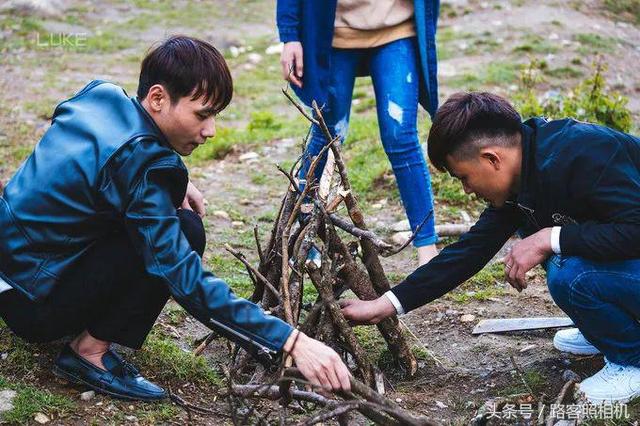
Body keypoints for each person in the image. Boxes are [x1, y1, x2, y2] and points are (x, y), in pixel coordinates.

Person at [0, 35, 350, 401]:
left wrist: (172, 178)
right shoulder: (145, 166)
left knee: (163, 216)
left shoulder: (99, 96)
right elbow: (184, 278)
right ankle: (88, 353)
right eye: (202, 114)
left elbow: (101, 161)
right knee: (186, 229)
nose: (210, 130)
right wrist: (292, 341)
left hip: (12, 272)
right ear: (157, 99)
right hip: (35, 308)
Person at [341, 91, 640, 404]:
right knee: (561, 256)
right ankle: (606, 330)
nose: (467, 190)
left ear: (491, 159)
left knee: (570, 272)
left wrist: (549, 237)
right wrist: (384, 305)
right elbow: (467, 253)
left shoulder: (585, 153)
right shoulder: (524, 174)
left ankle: (631, 360)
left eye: (465, 178)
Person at [277, 0, 441, 266]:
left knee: (401, 137)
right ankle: (303, 237)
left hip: (398, 29)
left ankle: (427, 249)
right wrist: (290, 36)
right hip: (333, 35)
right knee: (328, 134)